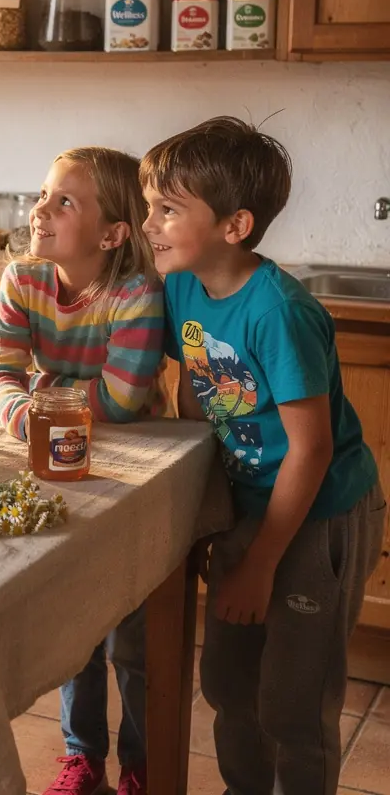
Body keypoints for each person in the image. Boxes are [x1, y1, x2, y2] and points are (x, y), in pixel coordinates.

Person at [140, 116, 386, 795]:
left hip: (321, 516)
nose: (148, 224)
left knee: (293, 702)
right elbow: (195, 390)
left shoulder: (278, 311)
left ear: (235, 225)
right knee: (228, 682)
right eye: (149, 206)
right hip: (249, 504)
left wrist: (260, 563)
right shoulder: (182, 284)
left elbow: (311, 449)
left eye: (167, 209)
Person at [0, 147, 165, 795]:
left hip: (135, 475)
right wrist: (35, 411)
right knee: (78, 627)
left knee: (133, 640)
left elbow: (123, 400)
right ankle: (82, 757)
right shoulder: (22, 279)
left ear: (112, 234)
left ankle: (143, 765)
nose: (41, 209)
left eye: (65, 201)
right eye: (43, 194)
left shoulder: (136, 292)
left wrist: (39, 394)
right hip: (58, 462)